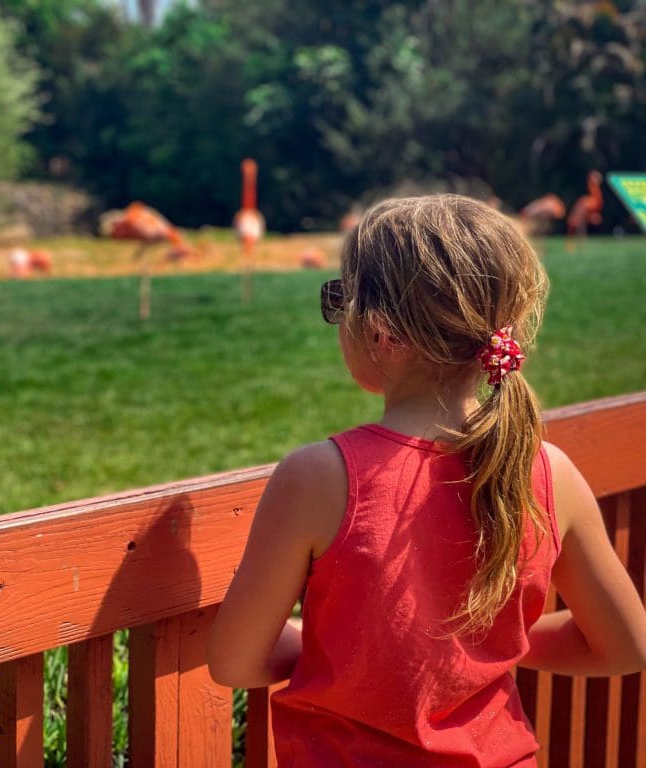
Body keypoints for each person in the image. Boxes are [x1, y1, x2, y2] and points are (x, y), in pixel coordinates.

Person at [207, 195, 646, 766]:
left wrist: (343, 647)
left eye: (339, 300)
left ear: (383, 332)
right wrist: (480, 649)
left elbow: (236, 661)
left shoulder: (319, 477)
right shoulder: (549, 471)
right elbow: (627, 645)